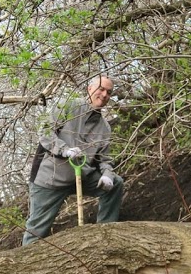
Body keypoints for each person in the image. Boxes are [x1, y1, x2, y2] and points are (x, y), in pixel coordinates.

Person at [22, 75, 124, 245]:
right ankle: (25, 265)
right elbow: (45, 132)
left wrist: (107, 174)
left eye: (109, 92)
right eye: (101, 89)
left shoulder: (104, 127)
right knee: (36, 232)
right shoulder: (67, 105)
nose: (104, 94)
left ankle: (105, 236)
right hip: (50, 179)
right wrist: (65, 150)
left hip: (80, 176)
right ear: (89, 89)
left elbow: (104, 158)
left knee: (116, 184)